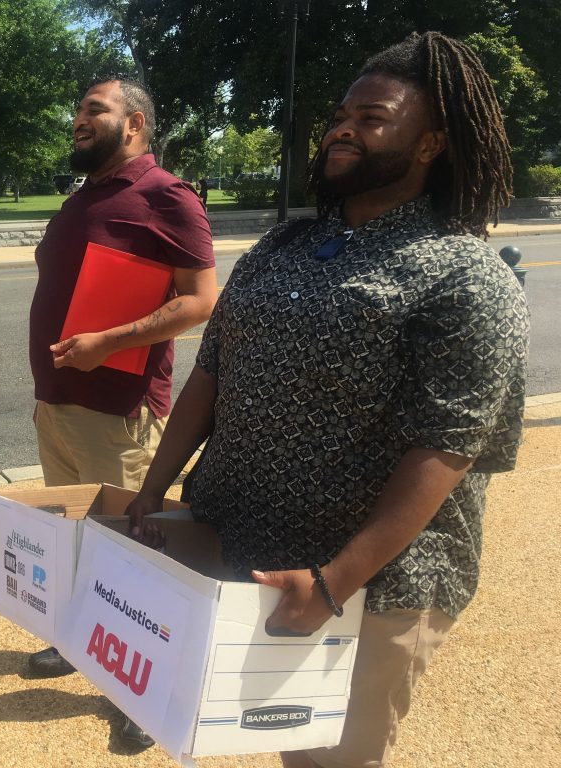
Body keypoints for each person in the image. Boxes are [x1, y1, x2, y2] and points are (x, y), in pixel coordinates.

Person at [126, 32, 529, 768]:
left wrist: (333, 582)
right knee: (279, 742)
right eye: (341, 113)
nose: (343, 127)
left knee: (335, 758)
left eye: (372, 117)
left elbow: (445, 449)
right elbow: (212, 373)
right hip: (251, 543)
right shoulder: (284, 244)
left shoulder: (466, 277)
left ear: (433, 142)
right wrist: (152, 490)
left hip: (371, 584)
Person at [27, 78, 217, 747]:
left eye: (93, 111)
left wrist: (107, 341)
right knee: (79, 543)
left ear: (134, 123)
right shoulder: (85, 198)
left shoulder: (167, 195)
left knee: (137, 558)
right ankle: (79, 644)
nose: (78, 119)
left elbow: (200, 301)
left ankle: (146, 690)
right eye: (77, 109)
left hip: (120, 413)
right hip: (59, 409)